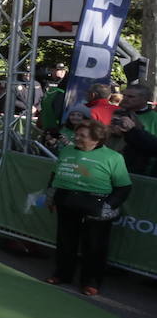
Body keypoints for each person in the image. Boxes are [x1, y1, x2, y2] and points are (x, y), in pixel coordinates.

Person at [46, 120, 131, 296]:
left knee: (94, 245)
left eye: (82, 136)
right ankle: (62, 274)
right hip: (67, 200)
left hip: (96, 203)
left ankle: (91, 281)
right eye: (76, 134)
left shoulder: (113, 157)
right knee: (65, 240)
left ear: (97, 139)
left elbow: (123, 187)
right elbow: (56, 173)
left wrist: (109, 206)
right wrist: (51, 195)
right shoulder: (67, 150)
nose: (76, 138)